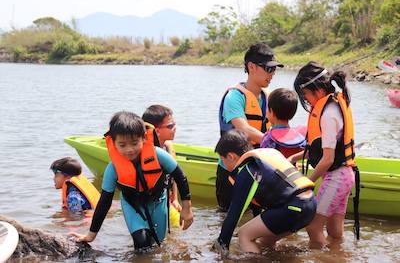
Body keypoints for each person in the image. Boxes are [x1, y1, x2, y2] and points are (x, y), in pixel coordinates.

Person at [69, 111, 193, 251]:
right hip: (132, 205)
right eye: (122, 145)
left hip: (158, 202)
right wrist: (91, 235)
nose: (129, 150)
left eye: (134, 143)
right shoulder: (113, 169)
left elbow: (180, 176)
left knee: (159, 244)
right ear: (114, 143)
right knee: (142, 243)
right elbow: (104, 202)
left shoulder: (158, 155)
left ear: (143, 139)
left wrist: (187, 209)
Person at [289, 61, 359, 248]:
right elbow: (324, 149)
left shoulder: (328, 114)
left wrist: (307, 183)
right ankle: (339, 256)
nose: (305, 99)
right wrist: (295, 157)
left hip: (336, 177)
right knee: (335, 231)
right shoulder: (333, 105)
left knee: (312, 226)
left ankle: (322, 258)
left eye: (305, 94)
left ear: (318, 90)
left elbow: (327, 159)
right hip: (345, 176)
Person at [213, 130, 316, 254]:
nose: (223, 164)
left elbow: (234, 214)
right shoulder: (263, 160)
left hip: (293, 208)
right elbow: (259, 210)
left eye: (222, 159)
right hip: (309, 205)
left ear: (230, 156)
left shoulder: (247, 171)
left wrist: (221, 245)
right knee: (264, 242)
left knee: (244, 235)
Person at [216, 43, 284, 211]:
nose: (272, 74)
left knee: (256, 217)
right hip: (232, 168)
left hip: (259, 167)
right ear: (251, 67)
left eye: (274, 70)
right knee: (228, 218)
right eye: (269, 69)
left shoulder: (268, 97)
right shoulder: (234, 97)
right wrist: (274, 142)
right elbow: (244, 130)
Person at [142, 104, 182, 225]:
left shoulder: (168, 146)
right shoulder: (145, 152)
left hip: (167, 199)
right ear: (157, 131)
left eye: (174, 124)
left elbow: (176, 175)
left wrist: (175, 199)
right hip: (150, 201)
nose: (175, 127)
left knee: (176, 228)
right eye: (170, 126)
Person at [260, 88, 306, 158]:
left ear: (272, 112)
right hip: (292, 168)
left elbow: (264, 161)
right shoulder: (298, 138)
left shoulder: (269, 138)